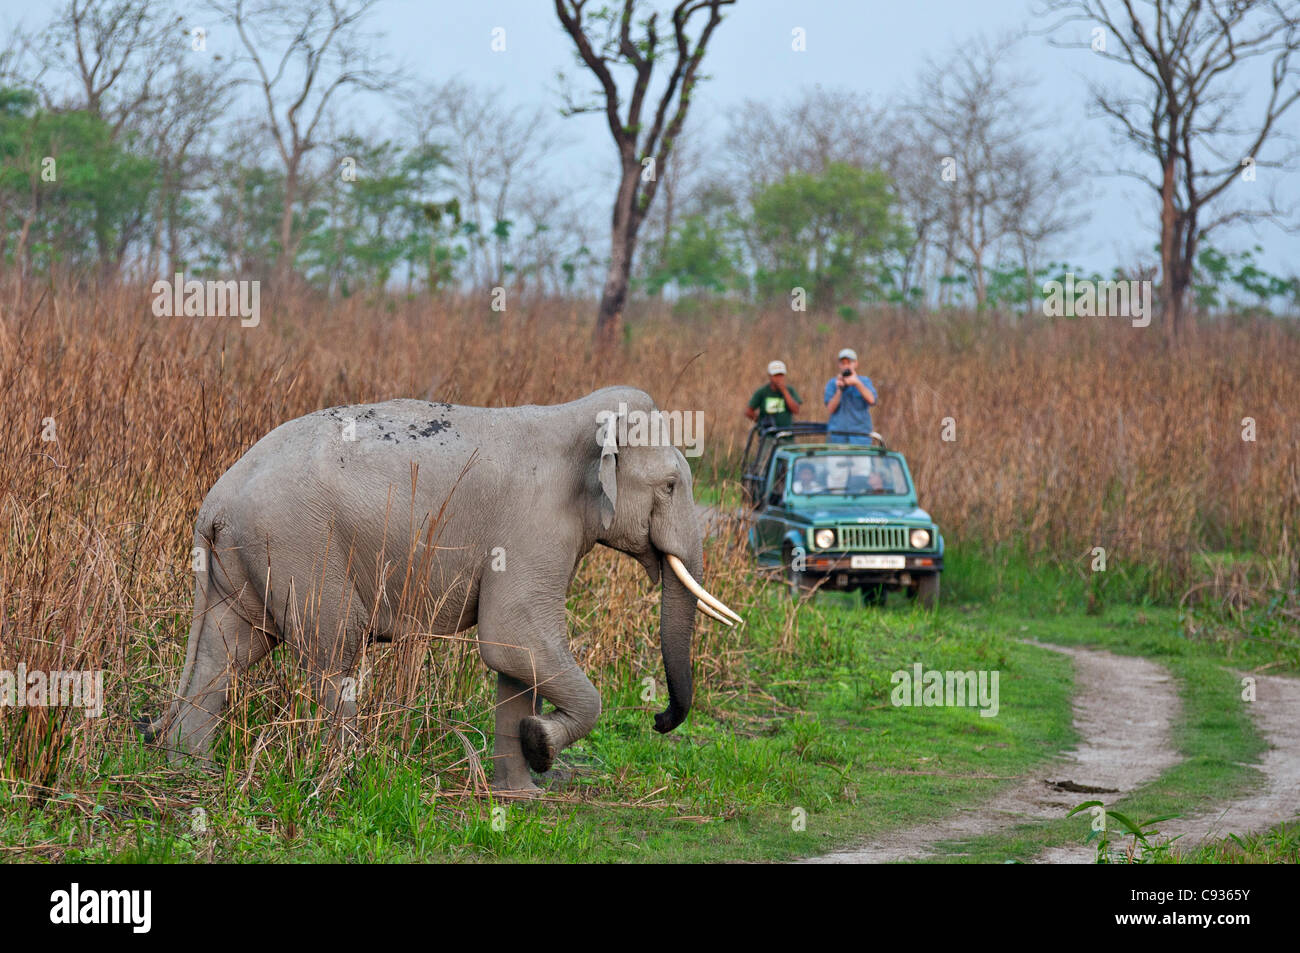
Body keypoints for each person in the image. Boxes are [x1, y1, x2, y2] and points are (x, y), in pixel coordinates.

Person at [823, 348, 877, 444]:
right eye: (843, 363)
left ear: (856, 364)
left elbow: (872, 400)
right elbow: (830, 409)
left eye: (849, 362)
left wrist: (857, 383)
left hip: (860, 437)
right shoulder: (833, 383)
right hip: (837, 437)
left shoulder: (864, 381)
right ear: (839, 365)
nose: (846, 366)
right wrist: (840, 390)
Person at [746, 360, 802, 430]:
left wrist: (784, 391)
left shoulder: (790, 390)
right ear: (770, 376)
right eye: (776, 375)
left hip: (787, 435)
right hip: (768, 436)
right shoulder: (762, 392)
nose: (779, 378)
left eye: (781, 375)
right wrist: (761, 421)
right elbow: (749, 411)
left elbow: (796, 410)